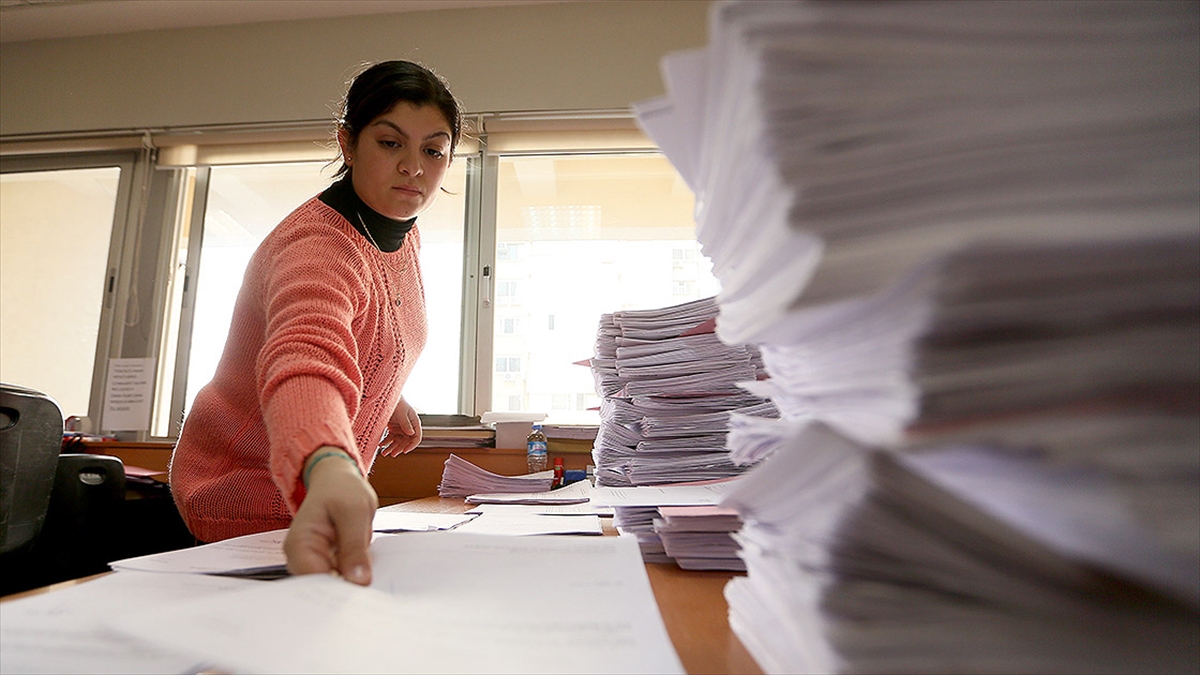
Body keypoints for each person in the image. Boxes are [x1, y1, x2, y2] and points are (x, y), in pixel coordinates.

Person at [169, 60, 463, 586]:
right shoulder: (319, 246)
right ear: (348, 144)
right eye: (390, 143)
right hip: (248, 500)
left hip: (308, 497)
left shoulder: (399, 233)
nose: (413, 167)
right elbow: (305, 354)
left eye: (433, 150)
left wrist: (384, 389)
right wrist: (329, 462)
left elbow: (361, 329)